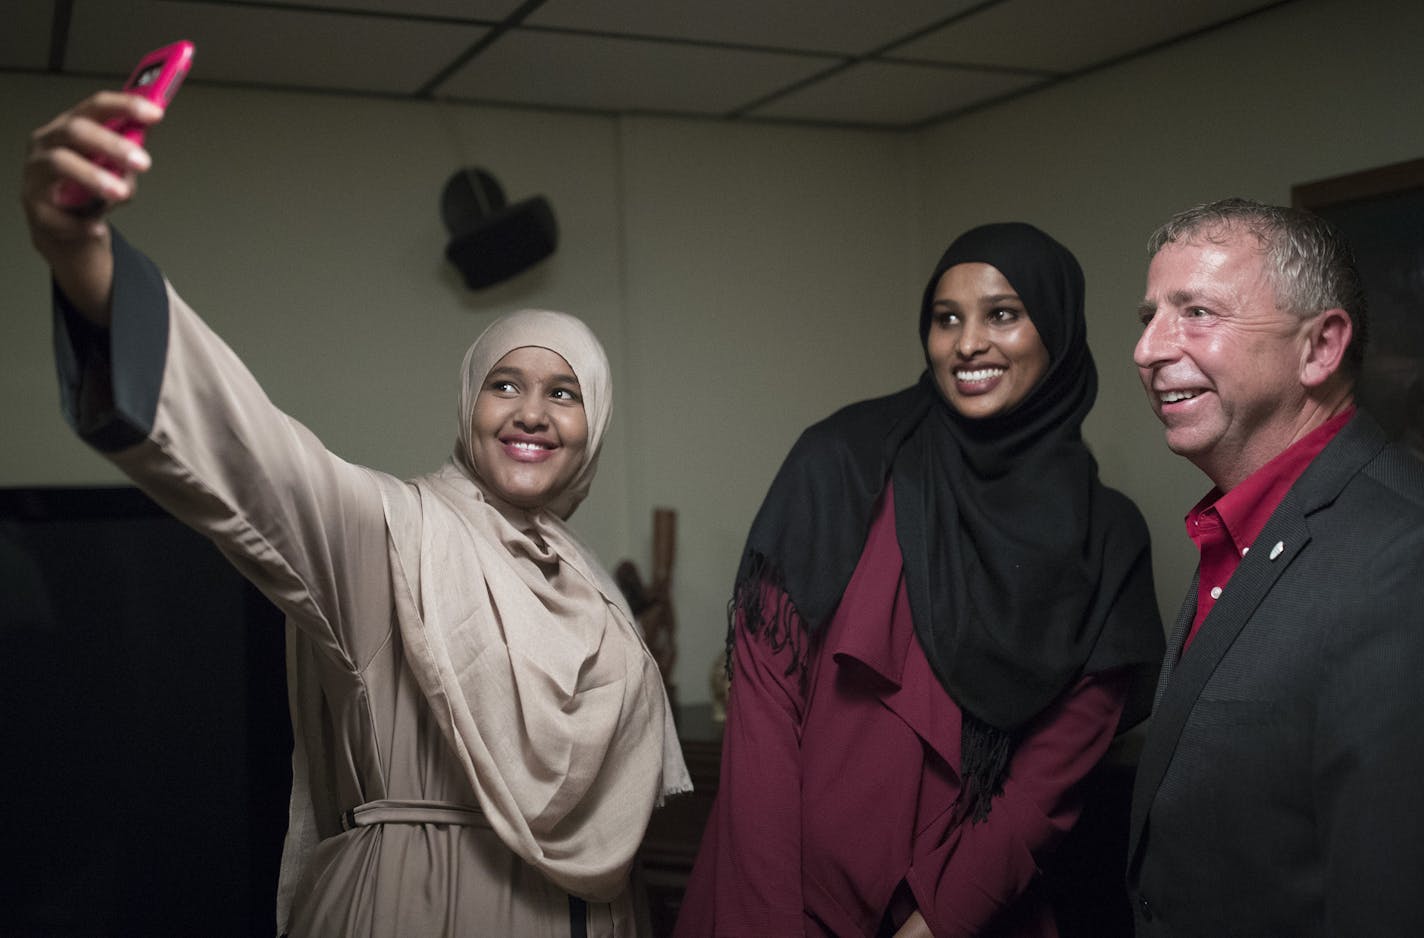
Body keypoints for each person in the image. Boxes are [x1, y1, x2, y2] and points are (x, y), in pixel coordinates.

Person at [22, 91, 690, 937]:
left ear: (590, 424)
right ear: (467, 406)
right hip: (420, 905)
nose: (532, 413)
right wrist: (81, 252)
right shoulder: (390, 535)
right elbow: (250, 451)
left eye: (563, 393)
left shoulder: (592, 590)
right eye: (504, 385)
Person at [675, 223, 1165, 936]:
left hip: (966, 913)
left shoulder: (1108, 539)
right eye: (946, 319)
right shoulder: (842, 463)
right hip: (779, 902)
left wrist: (935, 922)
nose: (967, 343)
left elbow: (1048, 781)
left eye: (1002, 313)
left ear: (1056, 331)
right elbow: (763, 714)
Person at [1127, 198, 1424, 936]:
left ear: (1320, 348)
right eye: (1149, 317)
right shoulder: (1243, 523)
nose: (1148, 350)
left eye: (1196, 311)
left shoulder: (1401, 556)